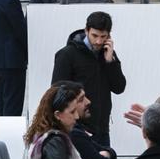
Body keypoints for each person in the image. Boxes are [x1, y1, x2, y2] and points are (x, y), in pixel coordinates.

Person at [50, 11, 126, 147]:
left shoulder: (108, 54)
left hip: (102, 128)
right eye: (94, 35)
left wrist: (110, 63)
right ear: (86, 31)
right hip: (76, 128)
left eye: (103, 36)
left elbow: (119, 87)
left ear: (109, 35)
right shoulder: (67, 54)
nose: (98, 41)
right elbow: (56, 92)